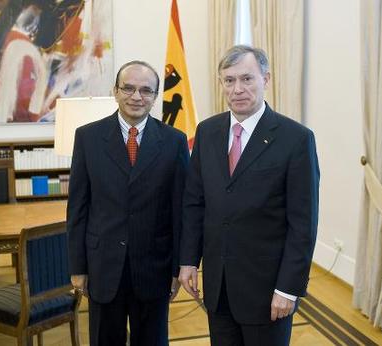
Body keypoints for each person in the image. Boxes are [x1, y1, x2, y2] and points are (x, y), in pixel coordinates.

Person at [178, 45, 320, 345]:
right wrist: (189, 260)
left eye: (247, 79)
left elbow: (303, 224)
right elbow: (195, 202)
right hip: (218, 286)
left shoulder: (296, 139)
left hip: (267, 291)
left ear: (266, 79)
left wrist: (288, 289)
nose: (237, 89)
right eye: (229, 80)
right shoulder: (207, 131)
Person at [67, 60, 189, 346]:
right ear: (115, 91)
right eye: (129, 88)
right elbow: (78, 209)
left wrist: (176, 269)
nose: (137, 97)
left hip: (154, 268)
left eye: (146, 90)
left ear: (156, 96)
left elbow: (180, 211)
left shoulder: (175, 141)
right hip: (103, 266)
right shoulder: (88, 137)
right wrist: (77, 267)